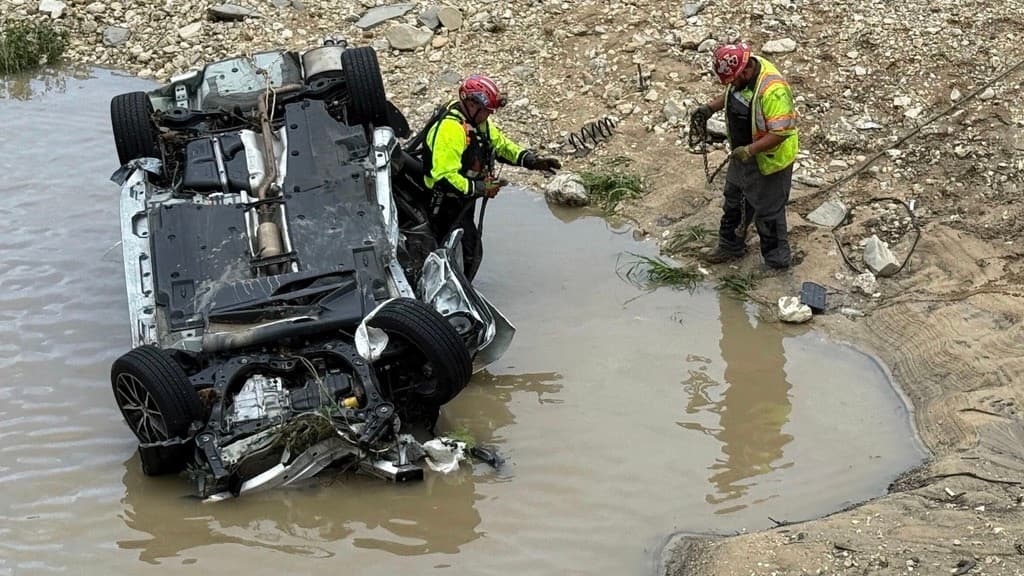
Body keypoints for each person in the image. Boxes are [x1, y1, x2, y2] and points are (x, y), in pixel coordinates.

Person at [422, 74, 561, 278]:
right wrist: (479, 188)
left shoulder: (477, 122)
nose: (488, 116)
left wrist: (531, 160)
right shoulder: (451, 129)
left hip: (463, 200)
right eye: (486, 111)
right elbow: (444, 176)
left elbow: (500, 145)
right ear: (471, 103)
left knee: (470, 250)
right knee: (466, 254)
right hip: (445, 206)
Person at [691, 43, 799, 269]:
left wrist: (751, 150)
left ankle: (777, 262)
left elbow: (781, 133)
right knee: (734, 198)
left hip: (770, 161)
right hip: (743, 153)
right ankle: (730, 246)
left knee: (768, 213)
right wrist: (710, 108)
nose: (730, 84)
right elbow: (732, 94)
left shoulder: (773, 91)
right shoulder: (743, 72)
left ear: (746, 71)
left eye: (733, 80)